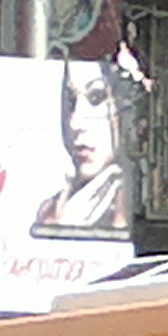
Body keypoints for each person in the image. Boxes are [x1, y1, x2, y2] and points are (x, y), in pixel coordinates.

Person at [31, 59, 132, 239]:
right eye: (70, 100)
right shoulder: (51, 209)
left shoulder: (127, 208)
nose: (75, 122)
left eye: (96, 98)